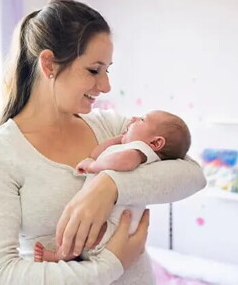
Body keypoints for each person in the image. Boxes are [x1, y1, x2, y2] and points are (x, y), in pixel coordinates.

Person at [0, 0, 206, 285]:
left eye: (107, 70)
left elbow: (193, 175)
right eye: (94, 70)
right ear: (49, 65)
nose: (106, 85)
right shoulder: (1, 153)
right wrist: (109, 265)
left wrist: (110, 187)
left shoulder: (111, 128)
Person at [33, 110, 191, 262]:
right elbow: (97, 153)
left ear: (156, 142)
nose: (134, 118)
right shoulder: (126, 148)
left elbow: (125, 162)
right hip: (114, 225)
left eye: (142, 119)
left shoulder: (142, 151)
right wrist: (118, 140)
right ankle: (64, 254)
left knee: (83, 231)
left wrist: (94, 166)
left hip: (114, 226)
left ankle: (61, 255)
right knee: (81, 229)